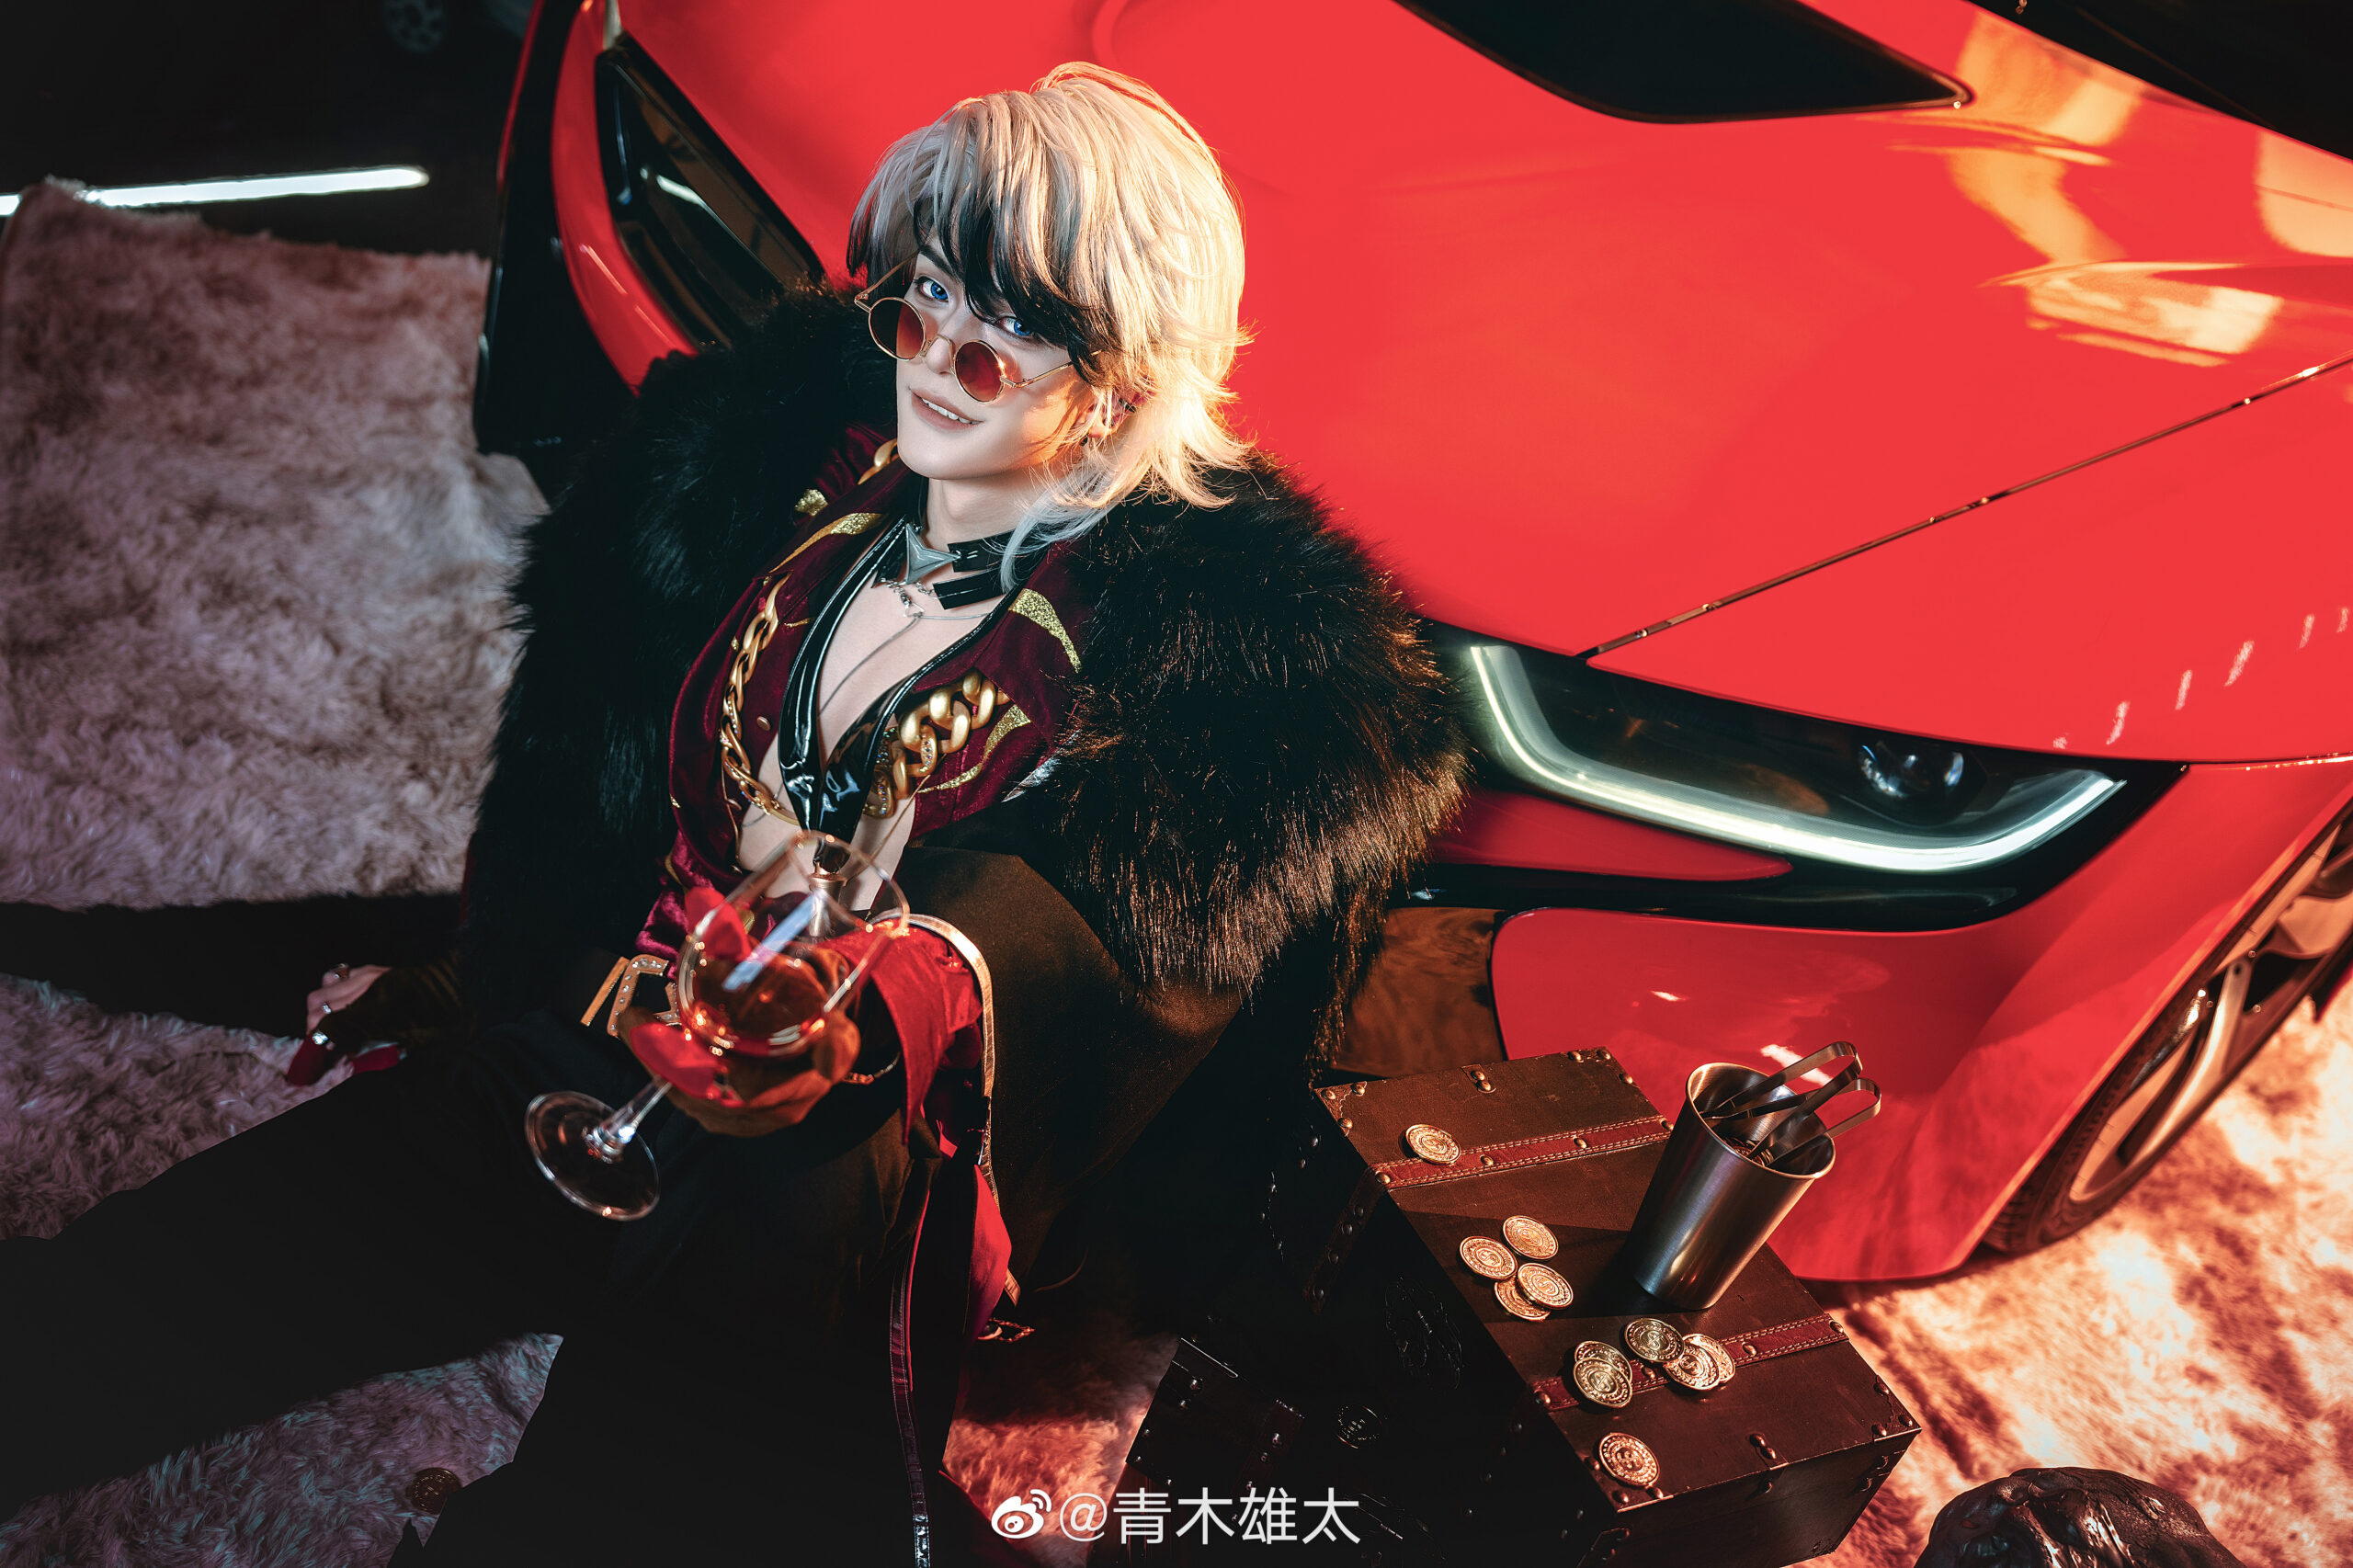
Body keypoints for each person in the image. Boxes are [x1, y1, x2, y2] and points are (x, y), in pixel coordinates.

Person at [0, 64, 1463, 1564]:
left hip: (831, 1183)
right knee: (157, 1288)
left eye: (992, 343)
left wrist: (873, 1009)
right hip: (615, 1042)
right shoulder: (802, 477)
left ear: (1118, 388)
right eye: (920, 302)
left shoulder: (1177, 687)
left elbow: (1075, 947)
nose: (929, 362)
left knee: (645, 1470)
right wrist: (513, 972)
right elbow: (607, 791)